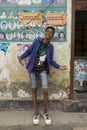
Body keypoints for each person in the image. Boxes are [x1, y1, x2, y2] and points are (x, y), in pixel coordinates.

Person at [18, 26, 67, 125]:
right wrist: (21, 56)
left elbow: (51, 60)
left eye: (51, 32)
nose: (49, 33)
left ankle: (45, 113)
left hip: (42, 70)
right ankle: (36, 113)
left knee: (45, 90)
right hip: (32, 69)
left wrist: (58, 66)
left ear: (53, 35)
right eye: (47, 31)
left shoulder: (50, 47)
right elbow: (29, 51)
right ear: (45, 32)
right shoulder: (37, 41)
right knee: (34, 89)